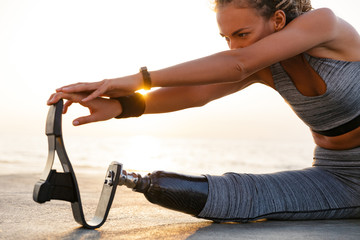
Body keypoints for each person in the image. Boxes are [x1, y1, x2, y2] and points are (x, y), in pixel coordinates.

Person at [47, 0, 360, 222]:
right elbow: (198, 93)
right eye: (226, 38)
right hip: (336, 172)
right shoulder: (261, 64)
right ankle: (134, 180)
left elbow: (237, 64)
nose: (234, 46)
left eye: (242, 34)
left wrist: (134, 80)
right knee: (237, 198)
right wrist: (119, 106)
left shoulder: (325, 23)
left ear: (277, 20)